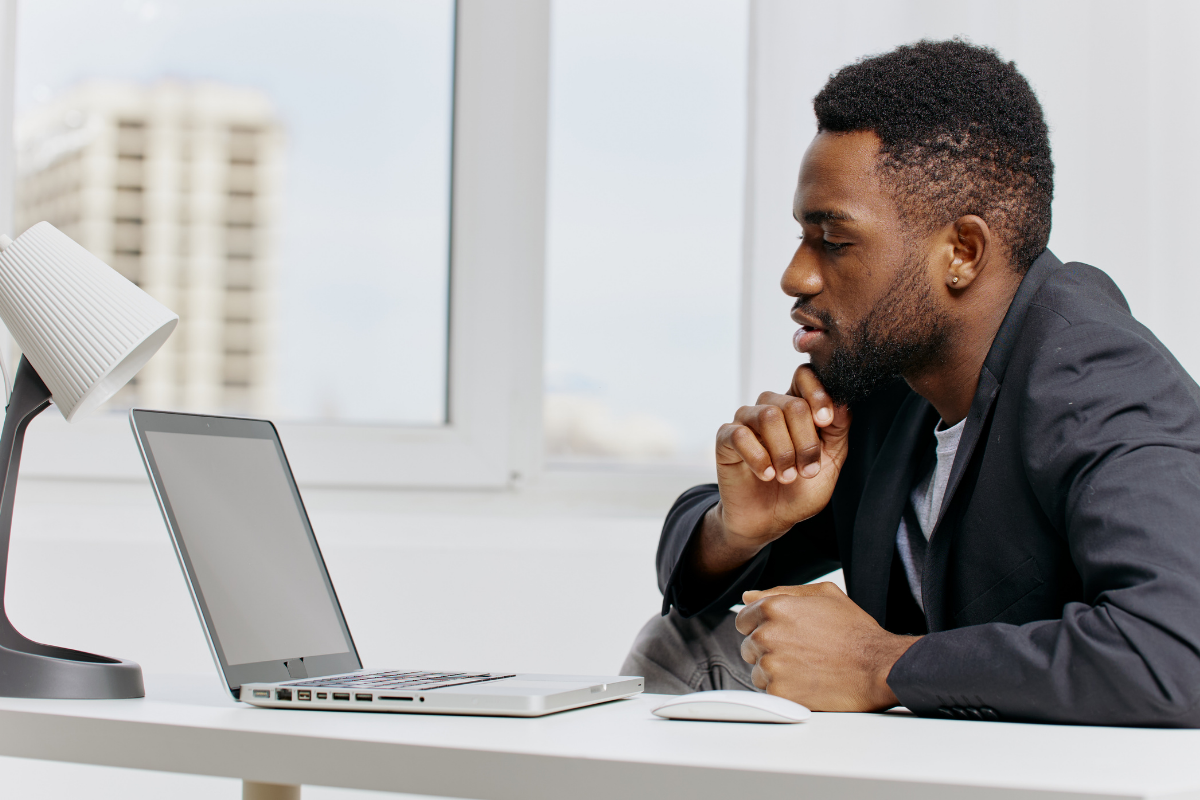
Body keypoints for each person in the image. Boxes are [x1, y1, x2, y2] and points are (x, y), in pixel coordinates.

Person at [621, 39, 1200, 727]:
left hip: (1079, 768)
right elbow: (691, 577)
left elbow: (1177, 653)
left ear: (962, 252)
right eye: (802, 237)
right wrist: (740, 527)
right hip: (941, 755)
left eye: (834, 242)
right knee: (683, 645)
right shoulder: (892, 378)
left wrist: (880, 663)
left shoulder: (1097, 376)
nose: (795, 276)